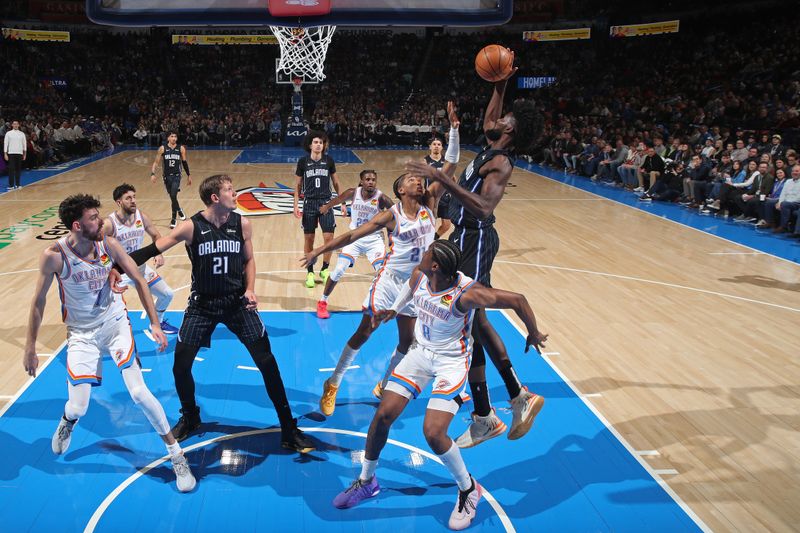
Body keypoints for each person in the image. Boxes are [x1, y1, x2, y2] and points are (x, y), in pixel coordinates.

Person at [331, 240, 548, 531]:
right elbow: (409, 290)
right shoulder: (419, 275)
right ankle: (367, 481)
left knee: (433, 432)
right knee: (383, 415)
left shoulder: (467, 295)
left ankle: (469, 489)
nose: (422, 254)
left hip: (452, 362)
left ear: (436, 265)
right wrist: (394, 310)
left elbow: (518, 299)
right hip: (420, 354)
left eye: (428, 252)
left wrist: (532, 332)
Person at [406, 53, 546, 448]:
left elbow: (484, 207)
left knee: (472, 319)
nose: (496, 120)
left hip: (476, 236)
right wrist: (500, 84)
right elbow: (488, 121)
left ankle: (510, 399)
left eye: (505, 119)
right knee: (475, 321)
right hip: (464, 237)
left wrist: (439, 178)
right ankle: (492, 410)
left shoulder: (501, 161)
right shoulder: (493, 141)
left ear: (512, 132)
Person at [125, 174, 314, 452]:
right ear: (215, 198)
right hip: (202, 305)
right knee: (181, 365)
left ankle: (288, 427)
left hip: (238, 302)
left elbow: (249, 260)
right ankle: (191, 417)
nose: (235, 194)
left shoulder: (243, 224)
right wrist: (115, 266)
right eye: (229, 190)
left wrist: (250, 288)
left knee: (267, 362)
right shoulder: (191, 227)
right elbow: (153, 248)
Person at [22, 194, 196, 492]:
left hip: (115, 323)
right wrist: (29, 347)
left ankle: (176, 454)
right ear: (77, 225)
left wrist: (154, 322)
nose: (100, 221)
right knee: (79, 406)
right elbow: (38, 302)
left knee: (139, 392)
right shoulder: (54, 255)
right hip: (81, 333)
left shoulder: (108, 244)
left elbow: (140, 280)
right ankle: (68, 420)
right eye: (93, 218)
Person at [314, 169, 393, 319]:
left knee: (382, 273)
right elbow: (337, 200)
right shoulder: (353, 193)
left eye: (373, 180)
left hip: (374, 240)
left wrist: (392, 234)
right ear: (362, 181)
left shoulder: (382, 198)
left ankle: (382, 304)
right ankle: (322, 302)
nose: (371, 182)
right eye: (367, 179)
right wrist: (326, 207)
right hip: (354, 238)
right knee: (338, 270)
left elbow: (396, 214)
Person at [104, 183, 179, 334]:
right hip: (119, 272)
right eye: (128, 198)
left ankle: (157, 322)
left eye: (134, 197)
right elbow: (95, 246)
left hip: (140, 268)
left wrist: (158, 253)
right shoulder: (109, 223)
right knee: (107, 305)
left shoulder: (141, 216)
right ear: (119, 202)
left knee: (167, 294)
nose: (133, 201)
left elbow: (156, 235)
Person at [293, 130, 341, 289]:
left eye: (321, 142)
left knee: (329, 239)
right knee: (309, 239)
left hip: (326, 203)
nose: (319, 144)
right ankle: (310, 272)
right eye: (316, 142)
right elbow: (298, 185)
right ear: (310, 145)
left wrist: (342, 203)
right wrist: (295, 205)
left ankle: (325, 269)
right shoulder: (303, 162)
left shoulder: (329, 161)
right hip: (309, 203)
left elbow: (336, 183)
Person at [151, 132, 192, 229]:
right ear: (168, 138)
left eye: (175, 136)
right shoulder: (162, 148)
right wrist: (152, 174)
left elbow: (184, 163)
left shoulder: (181, 148)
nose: (174, 138)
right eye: (172, 136)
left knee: (173, 195)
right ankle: (179, 210)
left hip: (177, 176)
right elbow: (156, 163)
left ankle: (173, 218)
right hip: (166, 176)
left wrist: (189, 175)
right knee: (172, 197)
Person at [426, 135, 453, 239]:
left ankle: (433, 239)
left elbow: (452, 178)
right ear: (430, 147)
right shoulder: (425, 161)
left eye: (439, 144)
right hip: (431, 197)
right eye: (434, 144)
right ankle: (426, 243)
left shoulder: (446, 162)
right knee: (429, 223)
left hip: (445, 197)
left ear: (442, 147)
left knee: (446, 224)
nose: (436, 146)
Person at [3, 119, 26, 190]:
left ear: (19, 125)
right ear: (12, 125)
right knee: (11, 170)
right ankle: (11, 185)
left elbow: (24, 144)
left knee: (18, 170)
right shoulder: (8, 133)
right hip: (11, 153)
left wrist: (24, 154)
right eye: (14, 124)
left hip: (19, 153)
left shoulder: (22, 134)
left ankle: (18, 184)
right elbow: (5, 144)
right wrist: (5, 154)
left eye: (17, 124)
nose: (15, 125)